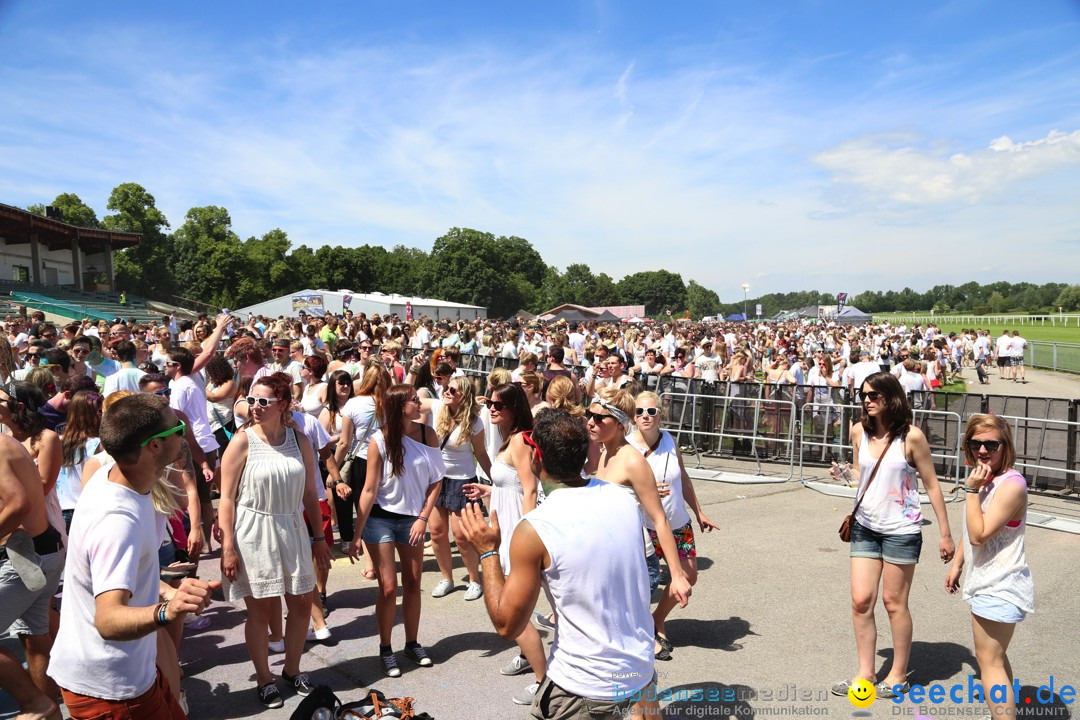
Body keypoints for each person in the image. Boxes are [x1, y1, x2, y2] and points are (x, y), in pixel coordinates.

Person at [459, 408, 662, 720]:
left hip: (583, 689)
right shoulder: (623, 500)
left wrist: (486, 552)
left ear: (537, 459)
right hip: (639, 671)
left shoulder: (536, 528)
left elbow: (506, 624)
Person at [48, 393, 219, 720]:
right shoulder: (117, 521)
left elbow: (112, 571)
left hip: (130, 675)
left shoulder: (112, 477)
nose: (183, 432)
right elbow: (108, 619)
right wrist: (168, 610)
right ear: (154, 446)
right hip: (110, 691)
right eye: (177, 428)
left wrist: (166, 590)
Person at [830, 371, 955, 700]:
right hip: (865, 526)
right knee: (861, 602)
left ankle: (898, 674)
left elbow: (931, 485)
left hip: (902, 529)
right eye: (863, 396)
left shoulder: (911, 437)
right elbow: (861, 472)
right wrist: (845, 473)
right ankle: (865, 674)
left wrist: (945, 534)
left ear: (891, 397)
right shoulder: (858, 431)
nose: (867, 401)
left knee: (893, 602)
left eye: (873, 395)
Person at [218, 373, 332, 707]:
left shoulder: (300, 441)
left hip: (293, 527)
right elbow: (225, 497)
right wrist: (227, 547)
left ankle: (292, 670)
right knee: (262, 610)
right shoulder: (242, 441)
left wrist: (319, 538)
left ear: (282, 405)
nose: (254, 407)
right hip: (253, 531)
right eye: (251, 400)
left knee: (300, 604)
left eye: (263, 401)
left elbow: (311, 493)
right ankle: (265, 679)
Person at [347, 384, 445, 678]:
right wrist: (355, 536)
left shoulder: (428, 434)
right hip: (380, 519)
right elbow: (369, 489)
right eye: (415, 400)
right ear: (400, 405)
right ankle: (386, 648)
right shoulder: (379, 439)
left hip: (413, 520)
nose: (420, 403)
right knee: (389, 587)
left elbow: (436, 480)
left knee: (414, 583)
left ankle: (412, 644)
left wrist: (423, 518)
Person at [945, 414, 1033, 720]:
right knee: (994, 659)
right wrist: (957, 563)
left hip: (1001, 584)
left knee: (989, 664)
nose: (983, 450)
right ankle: (1003, 714)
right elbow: (973, 525)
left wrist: (970, 491)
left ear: (1004, 445)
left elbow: (980, 535)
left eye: (991, 444)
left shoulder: (1011, 485)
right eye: (975, 443)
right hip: (988, 582)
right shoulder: (988, 479)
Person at [627, 391, 718, 660]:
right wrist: (645, 486)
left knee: (689, 575)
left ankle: (657, 618)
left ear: (660, 415)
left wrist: (698, 510)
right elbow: (612, 482)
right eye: (640, 412)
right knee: (645, 583)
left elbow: (683, 477)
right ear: (633, 417)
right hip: (645, 525)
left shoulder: (669, 439)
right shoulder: (626, 447)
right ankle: (642, 631)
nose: (646, 416)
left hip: (677, 521)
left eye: (651, 412)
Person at [0, 385, 65, 720]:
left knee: (37, 637)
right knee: (35, 640)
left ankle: (36, 703)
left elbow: (20, 503)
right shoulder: (7, 441)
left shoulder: (4, 445)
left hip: (28, 553)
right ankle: (47, 709)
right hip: (37, 552)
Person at [427, 376, 493, 602]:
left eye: (452, 390)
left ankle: (475, 580)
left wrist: (494, 481)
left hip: (462, 480)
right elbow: (412, 399)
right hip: (437, 479)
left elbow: (481, 454)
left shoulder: (474, 422)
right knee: (436, 533)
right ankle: (447, 578)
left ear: (463, 396)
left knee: (462, 537)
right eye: (446, 388)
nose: (446, 392)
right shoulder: (437, 408)